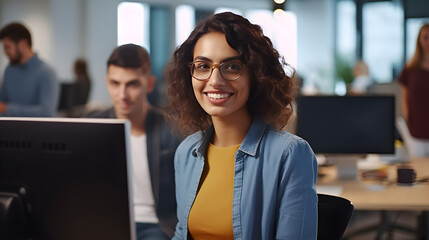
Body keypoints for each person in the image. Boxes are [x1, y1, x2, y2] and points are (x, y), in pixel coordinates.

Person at [164, 12, 318, 239]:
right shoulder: (187, 152)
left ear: (256, 75)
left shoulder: (289, 154)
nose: (215, 81)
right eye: (203, 66)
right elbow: (181, 234)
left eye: (232, 67)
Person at [88, 44, 181, 239]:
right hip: (106, 223)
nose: (122, 95)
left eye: (132, 84)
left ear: (149, 84)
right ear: (106, 82)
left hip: (156, 225)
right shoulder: (91, 128)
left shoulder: (173, 130)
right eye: (115, 83)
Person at [0, 22, 59, 117]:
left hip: (36, 131)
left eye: (8, 47)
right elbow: (2, 103)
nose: (5, 52)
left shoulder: (46, 73)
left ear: (23, 44)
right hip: (8, 130)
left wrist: (8, 108)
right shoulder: (9, 70)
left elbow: (47, 112)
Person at [398, 23, 429, 157]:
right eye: (426, 37)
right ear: (419, 40)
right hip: (417, 129)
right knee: (418, 169)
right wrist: (407, 119)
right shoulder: (410, 68)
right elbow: (404, 97)